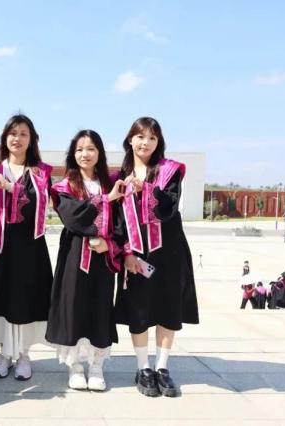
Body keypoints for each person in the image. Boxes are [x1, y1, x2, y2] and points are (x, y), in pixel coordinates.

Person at [113, 117, 199, 398]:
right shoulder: (118, 177)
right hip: (136, 252)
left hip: (169, 251)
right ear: (130, 140)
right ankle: (143, 368)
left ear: (158, 142)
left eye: (152, 137)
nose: (145, 142)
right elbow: (117, 220)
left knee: (168, 307)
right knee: (139, 309)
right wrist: (126, 252)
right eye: (140, 136)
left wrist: (146, 189)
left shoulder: (169, 171)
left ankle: (162, 367)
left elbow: (169, 207)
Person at [45, 130, 124, 391]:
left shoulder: (111, 183)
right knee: (73, 305)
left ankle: (97, 365)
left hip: (102, 257)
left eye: (90, 148)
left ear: (99, 153)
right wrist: (105, 200)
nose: (84, 154)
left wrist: (110, 244)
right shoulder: (65, 186)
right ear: (72, 154)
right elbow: (73, 218)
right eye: (79, 149)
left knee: (100, 306)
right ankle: (76, 366)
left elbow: (121, 221)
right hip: (74, 255)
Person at [0, 114, 54, 381]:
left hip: (30, 246)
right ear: (4, 138)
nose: (17, 138)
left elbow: (40, 205)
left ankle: (23, 355)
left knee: (26, 299)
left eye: (23, 134)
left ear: (32, 139)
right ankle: (4, 354)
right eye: (13, 133)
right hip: (1, 246)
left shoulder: (41, 172)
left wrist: (12, 188)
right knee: (2, 299)